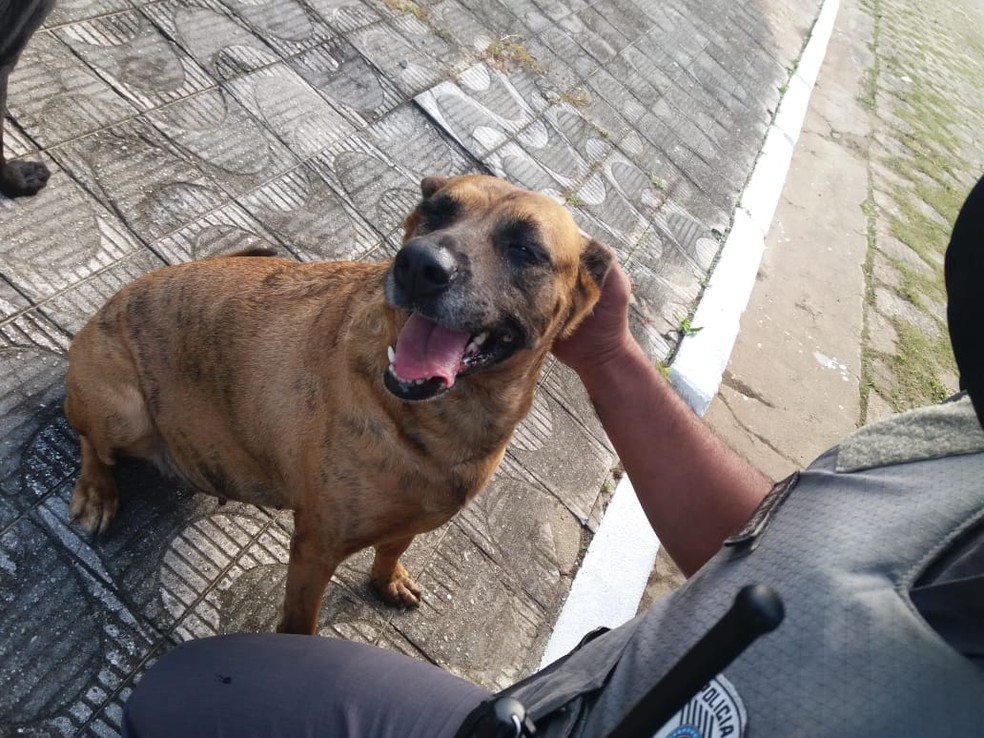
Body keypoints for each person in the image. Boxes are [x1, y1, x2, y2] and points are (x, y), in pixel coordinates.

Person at [122, 176, 984, 737]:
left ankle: (383, 561)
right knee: (129, 438)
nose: (434, 254)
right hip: (139, 384)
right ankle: (132, 487)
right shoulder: (947, 449)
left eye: (524, 252)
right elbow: (316, 541)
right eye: (439, 219)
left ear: (575, 300)